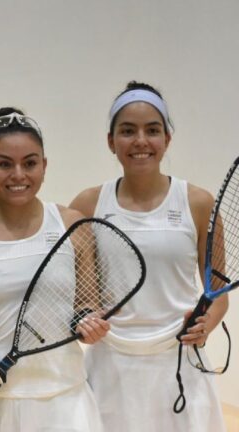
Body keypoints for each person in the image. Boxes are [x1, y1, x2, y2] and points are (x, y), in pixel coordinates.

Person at [0, 107, 108, 431]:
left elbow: (88, 305)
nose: (18, 174)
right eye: (4, 164)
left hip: (65, 402)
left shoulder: (72, 225)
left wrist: (89, 323)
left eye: (30, 163)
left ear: (44, 166)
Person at [69, 81, 227, 431]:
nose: (140, 141)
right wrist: (84, 319)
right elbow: (82, 296)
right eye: (127, 131)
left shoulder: (199, 203)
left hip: (181, 364)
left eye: (152, 130)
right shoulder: (87, 205)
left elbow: (218, 295)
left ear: (167, 139)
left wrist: (206, 323)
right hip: (110, 366)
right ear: (111, 141)